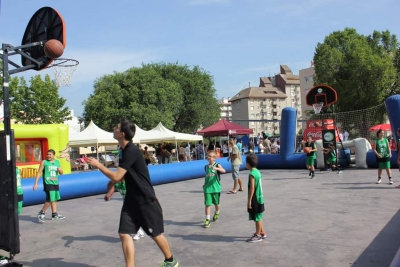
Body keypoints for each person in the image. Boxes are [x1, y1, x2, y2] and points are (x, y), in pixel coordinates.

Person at [86, 119, 178, 267]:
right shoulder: (122, 150)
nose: (113, 129)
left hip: (145, 199)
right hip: (131, 199)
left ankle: (170, 260)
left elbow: (116, 176)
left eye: (116, 127)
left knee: (154, 234)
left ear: (122, 133)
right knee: (124, 233)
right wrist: (112, 185)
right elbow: (121, 175)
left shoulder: (131, 151)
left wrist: (98, 165)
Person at [33, 149, 65, 222]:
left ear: (53, 155)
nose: (48, 156)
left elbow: (62, 173)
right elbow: (39, 172)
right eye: (47, 154)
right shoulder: (44, 162)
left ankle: (54, 214)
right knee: (50, 199)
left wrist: (59, 170)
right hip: (48, 183)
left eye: (50, 155)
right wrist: (36, 183)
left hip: (55, 182)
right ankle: (42, 212)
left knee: (54, 199)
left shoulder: (57, 162)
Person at [0, 167, 24, 265]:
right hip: (13, 194)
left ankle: (15, 233)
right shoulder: (10, 167)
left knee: (12, 218)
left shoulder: (11, 168)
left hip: (15, 194)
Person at [245, 153, 266, 243]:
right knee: (259, 216)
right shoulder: (257, 171)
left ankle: (258, 235)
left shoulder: (252, 174)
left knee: (257, 217)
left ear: (248, 164)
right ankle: (262, 232)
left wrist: (249, 200)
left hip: (255, 198)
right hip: (260, 197)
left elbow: (252, 188)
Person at [202, 150, 226, 228]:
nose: (209, 157)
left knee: (216, 204)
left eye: (210, 156)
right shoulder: (206, 167)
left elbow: (224, 170)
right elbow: (207, 177)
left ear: (215, 158)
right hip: (207, 189)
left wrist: (216, 168)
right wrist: (204, 184)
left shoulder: (217, 165)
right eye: (208, 156)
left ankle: (217, 212)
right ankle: (207, 219)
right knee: (207, 204)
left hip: (216, 188)